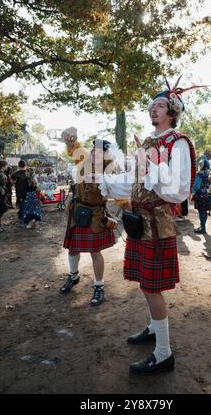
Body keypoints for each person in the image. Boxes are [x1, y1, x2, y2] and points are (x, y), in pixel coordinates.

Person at [99, 76, 199, 374]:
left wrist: (153, 165)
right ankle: (156, 329)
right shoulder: (147, 142)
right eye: (151, 106)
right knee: (146, 284)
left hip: (158, 224)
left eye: (159, 106)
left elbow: (179, 190)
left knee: (152, 287)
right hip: (139, 222)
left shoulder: (177, 142)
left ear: (172, 111)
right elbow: (133, 180)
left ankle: (164, 353)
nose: (152, 110)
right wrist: (104, 180)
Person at [60, 127, 122, 307]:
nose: (94, 153)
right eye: (93, 150)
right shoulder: (83, 160)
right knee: (72, 248)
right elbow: (73, 146)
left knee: (95, 252)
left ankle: (99, 286)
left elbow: (118, 190)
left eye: (99, 152)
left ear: (106, 155)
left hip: (95, 215)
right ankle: (73, 276)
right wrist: (69, 139)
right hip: (77, 211)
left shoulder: (110, 171)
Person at [191, 156, 211, 234]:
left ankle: (202, 228)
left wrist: (193, 191)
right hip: (207, 195)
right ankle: (203, 226)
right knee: (205, 212)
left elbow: (196, 186)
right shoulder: (208, 173)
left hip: (200, 195)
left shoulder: (199, 174)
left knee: (200, 212)